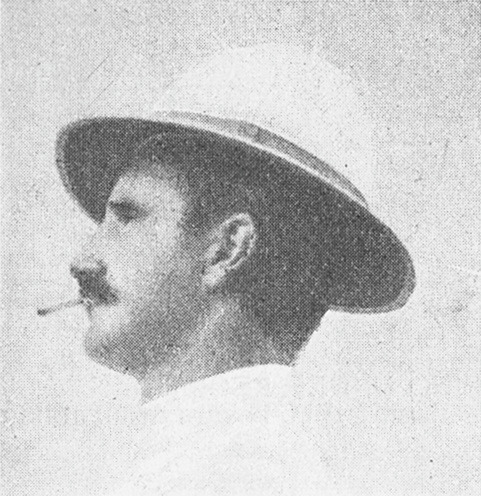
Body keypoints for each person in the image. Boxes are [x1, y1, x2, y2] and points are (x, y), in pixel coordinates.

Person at [49, 44, 415, 494]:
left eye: (127, 218)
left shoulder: (229, 476)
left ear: (227, 250)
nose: (82, 260)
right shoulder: (206, 461)